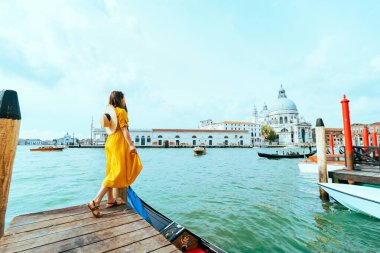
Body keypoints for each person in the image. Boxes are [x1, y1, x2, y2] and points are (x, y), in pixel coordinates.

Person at [88, 91, 143, 218]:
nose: (125, 100)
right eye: (124, 98)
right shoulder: (122, 112)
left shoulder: (111, 113)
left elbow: (112, 129)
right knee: (116, 172)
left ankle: (110, 200)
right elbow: (124, 130)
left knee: (111, 170)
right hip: (118, 142)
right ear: (121, 99)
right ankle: (95, 201)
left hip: (110, 142)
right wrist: (131, 144)